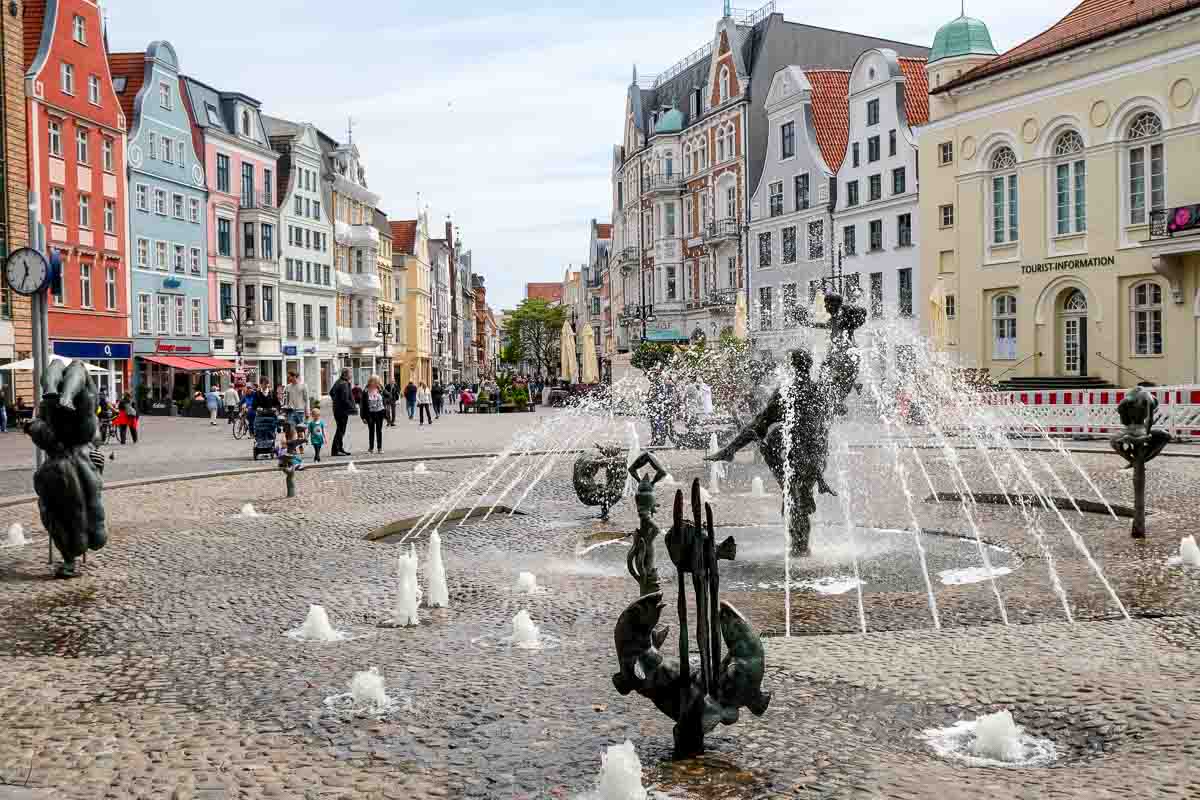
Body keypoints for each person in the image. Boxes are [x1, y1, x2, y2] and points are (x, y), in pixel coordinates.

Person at [359, 374, 388, 454]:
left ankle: (379, 448)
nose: (375, 383)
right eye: (374, 381)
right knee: (371, 431)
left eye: (377, 381)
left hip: (380, 412)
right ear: (370, 382)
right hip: (370, 413)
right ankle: (371, 448)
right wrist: (363, 417)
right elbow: (362, 405)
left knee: (379, 431)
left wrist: (382, 388)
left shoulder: (380, 389)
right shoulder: (365, 391)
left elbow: (389, 396)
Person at [330, 367, 354, 456]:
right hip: (342, 410)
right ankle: (336, 450)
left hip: (337, 409)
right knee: (340, 430)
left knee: (340, 429)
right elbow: (345, 399)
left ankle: (340, 448)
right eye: (350, 373)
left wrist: (336, 401)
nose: (351, 375)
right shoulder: (344, 383)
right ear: (346, 375)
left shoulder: (338, 381)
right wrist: (353, 407)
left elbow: (331, 392)